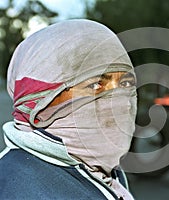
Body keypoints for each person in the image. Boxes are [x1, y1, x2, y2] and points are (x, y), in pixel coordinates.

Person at [0, 19, 137, 200]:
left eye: (126, 83)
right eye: (96, 85)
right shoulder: (21, 190)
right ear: (39, 102)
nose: (122, 102)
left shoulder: (102, 173)